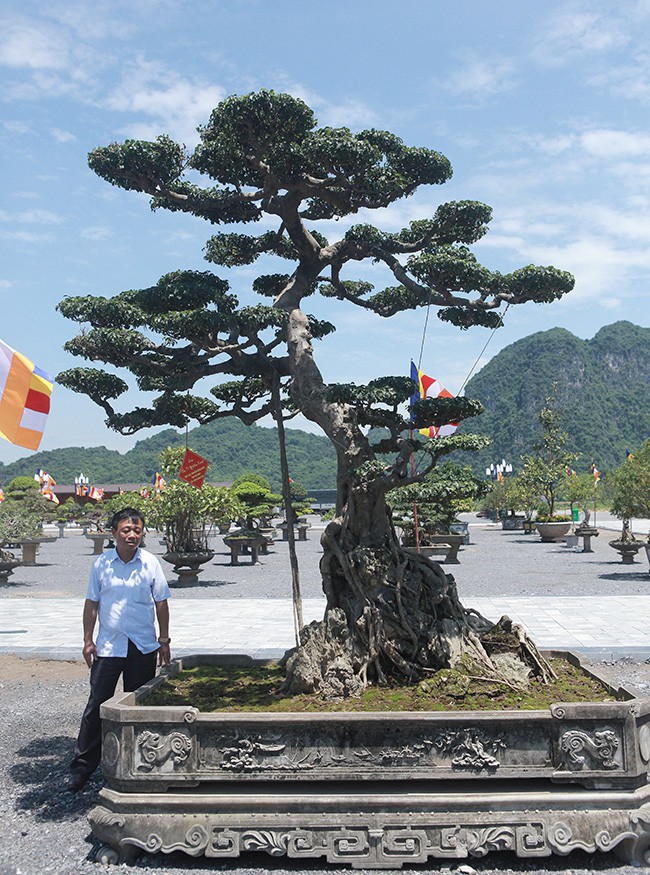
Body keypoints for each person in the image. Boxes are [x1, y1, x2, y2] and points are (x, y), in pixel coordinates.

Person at [68, 506, 172, 792]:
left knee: (139, 705)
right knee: (96, 705)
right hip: (109, 647)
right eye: (126, 530)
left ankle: (140, 762)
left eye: (137, 530)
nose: (132, 535)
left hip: (142, 645)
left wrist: (164, 640)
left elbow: (161, 602)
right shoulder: (101, 564)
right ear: (113, 533)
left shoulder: (150, 563)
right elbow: (92, 603)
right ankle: (83, 766)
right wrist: (88, 639)